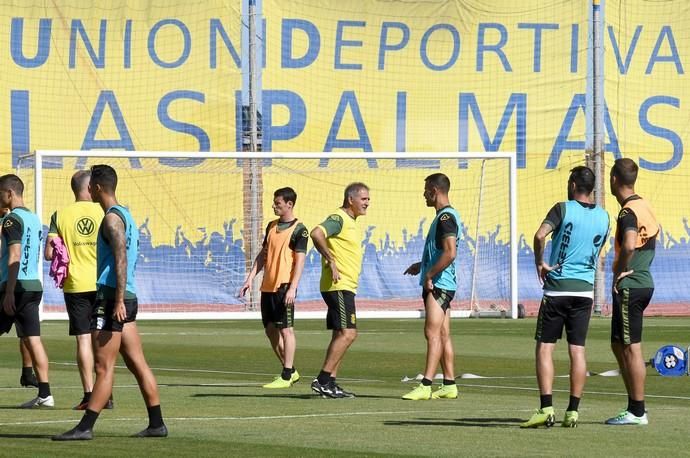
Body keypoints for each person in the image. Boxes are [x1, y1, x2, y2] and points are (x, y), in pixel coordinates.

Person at [53, 164, 166, 440]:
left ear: (98, 188)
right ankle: (157, 424)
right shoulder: (125, 214)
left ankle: (85, 427)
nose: (88, 190)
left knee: (103, 367)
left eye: (91, 186)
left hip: (113, 298)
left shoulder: (112, 220)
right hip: (125, 296)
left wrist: (116, 301)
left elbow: (121, 258)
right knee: (137, 362)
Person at [520, 166, 609, 428]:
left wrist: (540, 262)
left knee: (545, 347)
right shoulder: (605, 217)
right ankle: (573, 411)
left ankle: (546, 408)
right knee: (577, 350)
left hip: (558, 288)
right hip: (584, 290)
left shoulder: (562, 208)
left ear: (572, 185)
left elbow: (539, 235)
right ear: (591, 188)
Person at [44, 170, 108, 410]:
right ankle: (106, 393)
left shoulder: (59, 214)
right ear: (92, 187)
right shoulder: (105, 210)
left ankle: (89, 394)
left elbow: (49, 253)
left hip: (75, 285)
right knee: (103, 339)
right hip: (102, 282)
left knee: (83, 339)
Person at [605, 158, 658, 426]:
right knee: (618, 344)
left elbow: (627, 245)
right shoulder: (644, 205)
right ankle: (634, 405)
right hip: (644, 282)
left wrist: (618, 270)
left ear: (614, 179)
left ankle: (637, 410)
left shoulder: (627, 212)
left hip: (631, 284)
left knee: (630, 347)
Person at [239, 187, 308, 388]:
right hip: (267, 287)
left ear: (289, 204)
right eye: (274, 202)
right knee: (271, 330)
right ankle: (291, 370)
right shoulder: (271, 225)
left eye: (278, 203)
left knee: (286, 330)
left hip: (284, 286)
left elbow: (300, 261)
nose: (274, 206)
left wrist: (293, 288)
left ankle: (286, 375)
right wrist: (250, 279)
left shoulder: (299, 230)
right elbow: (263, 255)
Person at [401, 173, 462, 401]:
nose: (423, 194)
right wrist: (422, 265)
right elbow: (442, 251)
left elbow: (450, 252)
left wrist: (430, 273)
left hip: (439, 283)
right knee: (444, 334)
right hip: (441, 280)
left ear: (435, 190)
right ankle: (449, 384)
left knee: (432, 333)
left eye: (426, 189)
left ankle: (426, 384)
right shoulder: (443, 216)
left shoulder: (446, 218)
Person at [310, 182, 370, 399]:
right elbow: (316, 233)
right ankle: (323, 379)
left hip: (344, 286)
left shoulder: (351, 221)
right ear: (350, 200)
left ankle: (330, 383)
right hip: (338, 285)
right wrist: (331, 259)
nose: (367, 203)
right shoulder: (339, 218)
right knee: (349, 333)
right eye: (363, 199)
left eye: (368, 199)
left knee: (340, 334)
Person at [0, 174, 53, 408]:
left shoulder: (11, 220)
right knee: (34, 340)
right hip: (33, 286)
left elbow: (14, 255)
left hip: (16, 287)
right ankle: (45, 394)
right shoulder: (33, 217)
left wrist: (9, 291)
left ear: (9, 194)